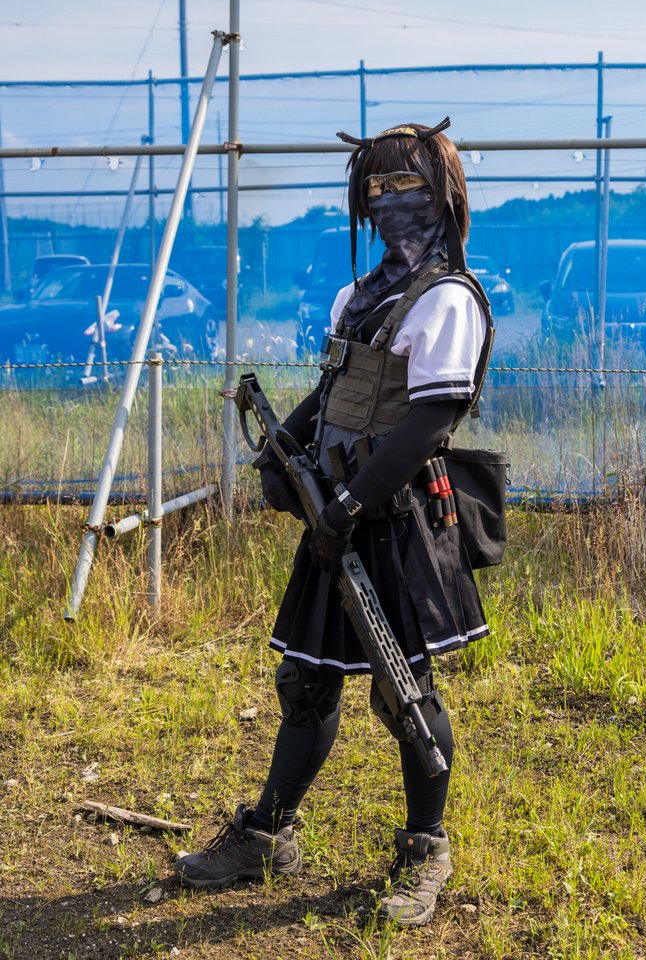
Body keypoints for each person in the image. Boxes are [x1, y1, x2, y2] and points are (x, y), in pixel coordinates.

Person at [176, 117, 496, 928]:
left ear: (443, 194)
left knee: (404, 693)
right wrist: (282, 450)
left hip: (397, 518)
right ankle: (267, 837)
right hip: (335, 512)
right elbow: (331, 391)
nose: (389, 200)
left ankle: (426, 852)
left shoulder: (449, 299)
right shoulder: (359, 297)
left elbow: (431, 420)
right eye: (375, 186)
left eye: (406, 184)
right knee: (307, 681)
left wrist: (351, 505)